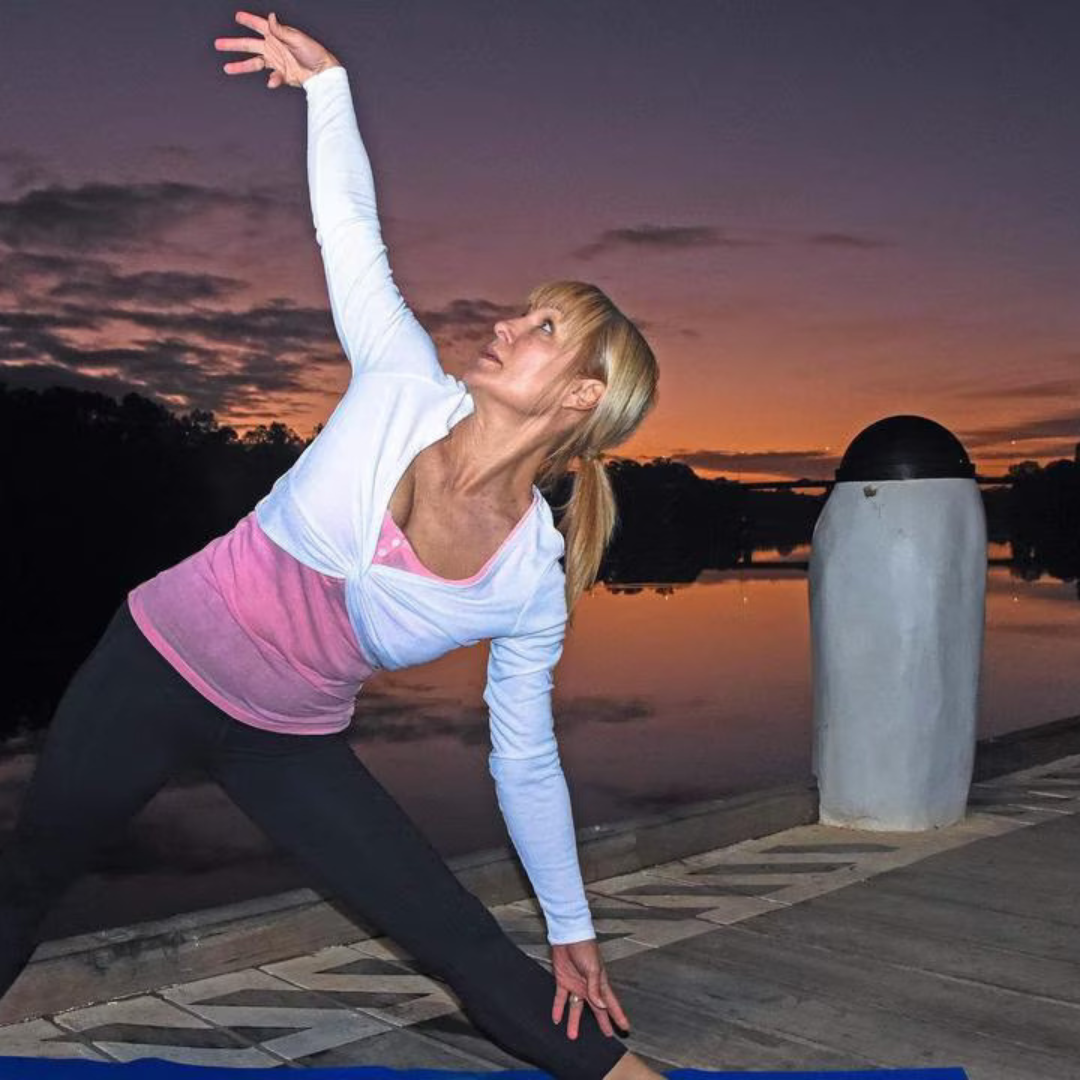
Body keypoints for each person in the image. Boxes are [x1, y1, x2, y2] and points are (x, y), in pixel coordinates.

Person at [0, 11, 663, 1080]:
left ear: (583, 397)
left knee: (452, 931)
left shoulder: (528, 580)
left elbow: (526, 758)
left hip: (284, 735)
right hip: (152, 663)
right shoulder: (401, 378)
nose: (506, 323)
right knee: (30, 877)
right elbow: (350, 230)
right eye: (526, 311)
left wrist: (573, 927)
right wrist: (330, 89)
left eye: (543, 329)